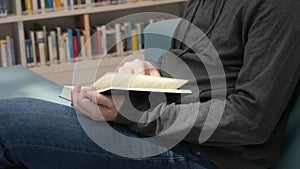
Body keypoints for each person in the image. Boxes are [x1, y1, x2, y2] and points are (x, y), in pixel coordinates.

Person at [0, 0, 299, 168]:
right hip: (161, 127)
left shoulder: (282, 7)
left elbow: (250, 118)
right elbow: (186, 60)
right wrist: (143, 70)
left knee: (7, 122)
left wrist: (131, 114)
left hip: (209, 156)